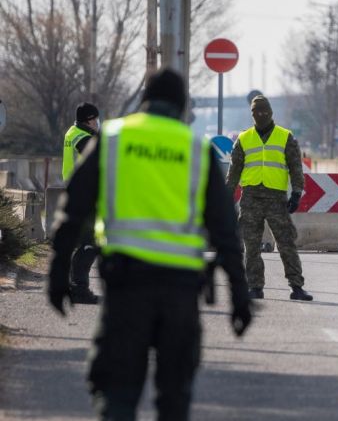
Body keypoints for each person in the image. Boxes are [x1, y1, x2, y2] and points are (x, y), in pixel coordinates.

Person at [47, 68, 252, 421]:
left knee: (118, 392)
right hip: (182, 291)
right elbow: (226, 230)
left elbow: (74, 210)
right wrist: (239, 293)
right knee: (174, 397)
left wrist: (56, 275)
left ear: (144, 102)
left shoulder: (112, 138)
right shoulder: (196, 150)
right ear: (181, 106)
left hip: (127, 286)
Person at [226, 93, 313, 301]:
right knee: (251, 245)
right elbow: (234, 171)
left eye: (264, 111)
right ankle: (255, 287)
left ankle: (297, 286)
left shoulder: (285, 137)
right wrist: (226, 198)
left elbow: (295, 167)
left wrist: (297, 192)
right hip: (251, 197)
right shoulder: (244, 139)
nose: (261, 115)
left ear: (271, 112)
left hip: (276, 198)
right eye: (257, 112)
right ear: (252, 114)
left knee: (286, 243)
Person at [61, 102, 101, 304]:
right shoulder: (84, 139)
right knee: (88, 243)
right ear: (89, 120)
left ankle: (74, 285)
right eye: (95, 119)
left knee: (85, 242)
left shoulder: (73, 132)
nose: (97, 123)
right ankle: (79, 288)